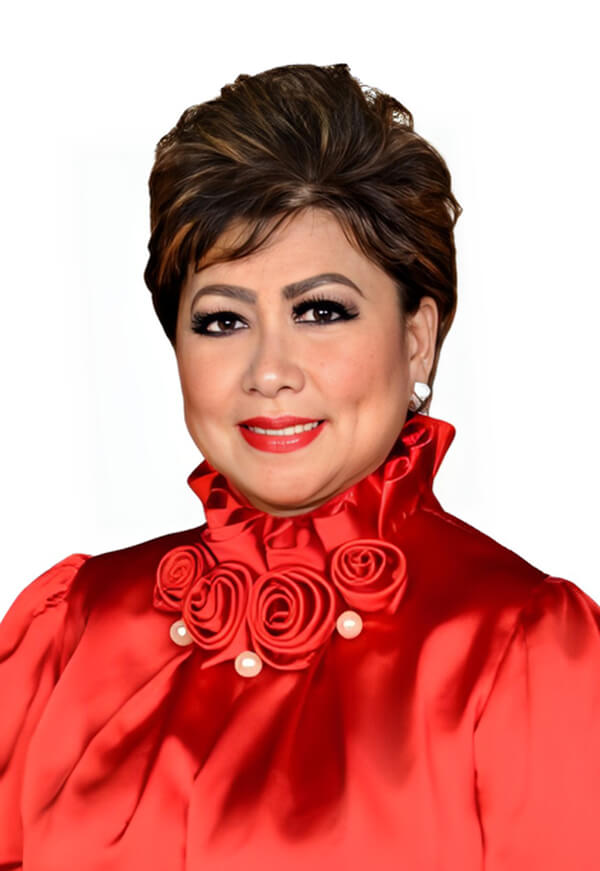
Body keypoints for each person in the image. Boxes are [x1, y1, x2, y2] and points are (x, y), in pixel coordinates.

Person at [0, 62, 598, 870]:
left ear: (417, 337)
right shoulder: (69, 629)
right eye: (222, 320)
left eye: (320, 311)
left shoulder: (524, 650)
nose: (269, 370)